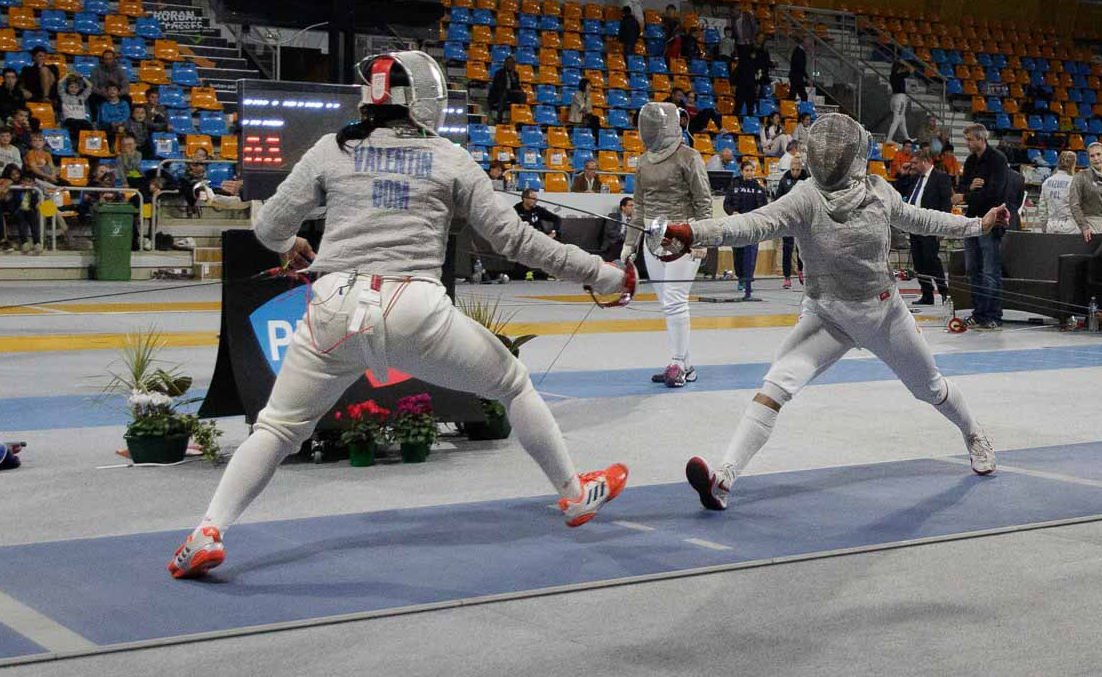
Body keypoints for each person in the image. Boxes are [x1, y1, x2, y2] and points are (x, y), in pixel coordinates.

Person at [167, 50, 633, 579]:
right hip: (414, 309)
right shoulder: (450, 157)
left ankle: (208, 531)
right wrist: (604, 274)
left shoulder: (330, 149)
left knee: (276, 428)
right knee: (514, 383)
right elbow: (516, 240)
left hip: (334, 306)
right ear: (425, 100)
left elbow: (269, 228)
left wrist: (294, 242)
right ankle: (573, 495)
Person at [674, 113, 1009, 512]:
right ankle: (724, 478)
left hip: (883, 313)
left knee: (930, 388)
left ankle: (973, 433)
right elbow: (753, 224)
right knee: (774, 388)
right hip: (826, 316)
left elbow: (921, 219)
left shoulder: (879, 192)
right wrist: (694, 232)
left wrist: (978, 224)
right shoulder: (805, 197)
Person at [620, 101, 713, 385]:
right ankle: (686, 364)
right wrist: (630, 243)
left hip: (683, 235)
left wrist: (702, 238)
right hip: (651, 238)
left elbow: (704, 201)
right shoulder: (644, 161)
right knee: (667, 303)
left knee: (674, 300)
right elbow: (639, 205)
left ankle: (676, 364)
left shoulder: (689, 156)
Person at [954, 124, 1010, 330]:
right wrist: (970, 189)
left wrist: (968, 195)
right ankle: (979, 314)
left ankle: (993, 316)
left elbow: (994, 193)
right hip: (971, 222)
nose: (967, 144)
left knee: (990, 271)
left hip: (992, 223)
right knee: (974, 270)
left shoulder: (998, 160)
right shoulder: (969, 161)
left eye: (969, 140)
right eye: (966, 140)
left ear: (981, 139)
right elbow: (959, 191)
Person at [902, 145, 954, 308]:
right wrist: (904, 174)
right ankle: (927, 294)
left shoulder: (941, 177)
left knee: (932, 260)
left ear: (925, 162)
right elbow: (899, 189)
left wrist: (943, 227)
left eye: (915, 163)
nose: (912, 166)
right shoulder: (915, 178)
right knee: (919, 261)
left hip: (931, 225)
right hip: (914, 225)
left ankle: (945, 293)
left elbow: (946, 204)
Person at [723, 158, 768, 299]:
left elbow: (765, 207)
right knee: (738, 253)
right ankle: (740, 278)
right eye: (746, 170)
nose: (749, 173)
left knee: (752, 254)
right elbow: (727, 203)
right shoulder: (734, 185)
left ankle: (748, 281)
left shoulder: (759, 188)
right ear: (742, 171)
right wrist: (732, 212)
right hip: (737, 225)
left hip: (753, 226)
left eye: (751, 170)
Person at [774, 153, 808, 289]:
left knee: (802, 248)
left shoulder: (807, 180)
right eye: (793, 169)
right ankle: (787, 277)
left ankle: (801, 271)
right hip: (788, 219)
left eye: (797, 170)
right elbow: (778, 200)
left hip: (802, 218)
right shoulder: (784, 180)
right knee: (787, 248)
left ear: (801, 169)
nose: (795, 172)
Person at [0, 163, 38, 253]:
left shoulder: (23, 181)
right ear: (8, 175)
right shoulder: (7, 181)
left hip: (18, 209)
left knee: (30, 216)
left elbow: (38, 183)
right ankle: (4, 241)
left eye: (17, 173)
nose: (16, 176)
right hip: (6, 207)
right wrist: (4, 189)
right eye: (13, 174)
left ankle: (36, 243)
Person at [1039, 151, 1080, 234]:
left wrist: (1044, 228)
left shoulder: (1047, 182)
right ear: (1073, 164)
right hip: (1071, 229)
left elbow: (1042, 210)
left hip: (1051, 227)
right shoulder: (1075, 183)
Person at [884, 58, 912, 144]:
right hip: (900, 99)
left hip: (894, 98)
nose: (904, 69)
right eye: (902, 68)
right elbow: (912, 69)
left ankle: (907, 138)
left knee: (902, 119)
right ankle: (889, 139)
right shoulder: (899, 75)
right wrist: (904, 62)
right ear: (900, 68)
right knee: (896, 120)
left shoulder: (892, 75)